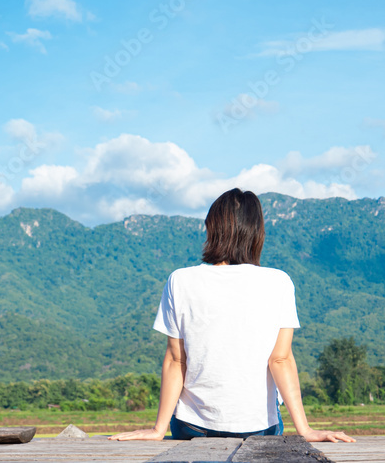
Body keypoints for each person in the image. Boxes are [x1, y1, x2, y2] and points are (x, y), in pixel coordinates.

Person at [110, 188, 354, 443]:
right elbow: (280, 360)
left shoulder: (180, 280)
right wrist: (305, 430)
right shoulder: (279, 282)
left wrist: (158, 430)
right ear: (257, 233)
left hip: (191, 427)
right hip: (257, 427)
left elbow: (175, 360)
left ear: (212, 228)